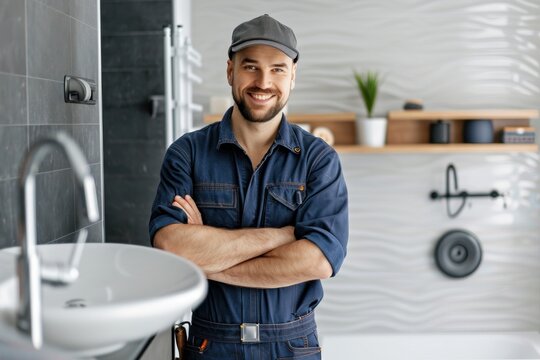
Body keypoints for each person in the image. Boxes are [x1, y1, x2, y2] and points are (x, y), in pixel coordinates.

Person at [149, 14, 348, 360]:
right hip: (211, 344)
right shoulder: (188, 153)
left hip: (291, 346)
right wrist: (282, 236)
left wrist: (206, 258)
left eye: (277, 69)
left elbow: (318, 260)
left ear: (292, 76)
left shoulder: (318, 159)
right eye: (251, 67)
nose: (263, 82)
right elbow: (171, 247)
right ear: (230, 71)